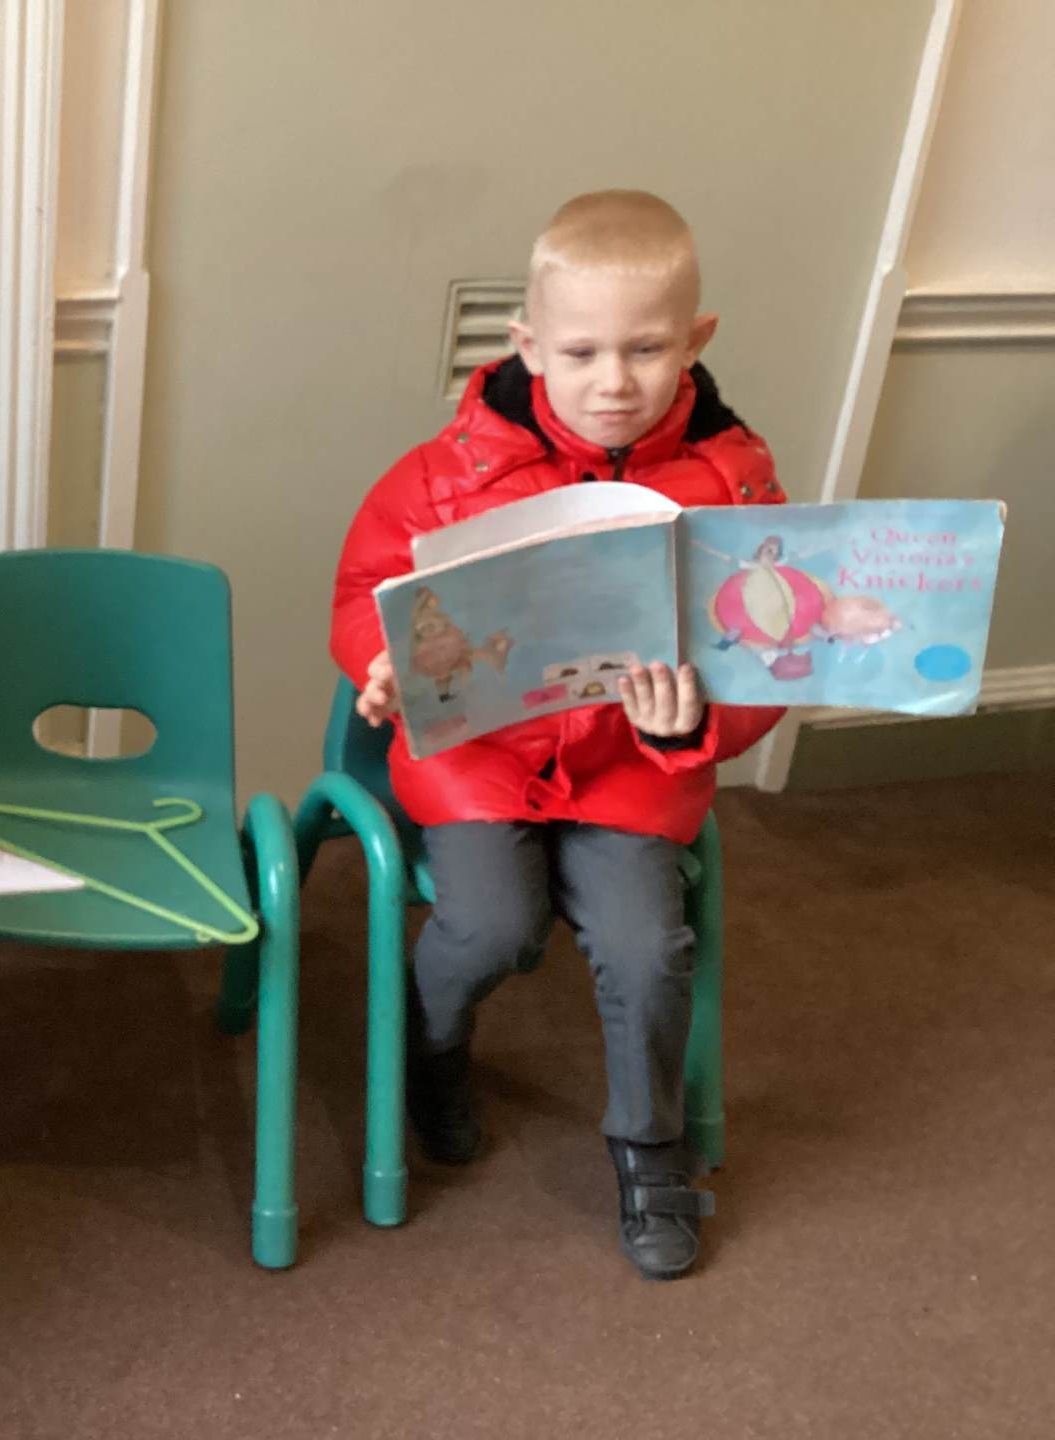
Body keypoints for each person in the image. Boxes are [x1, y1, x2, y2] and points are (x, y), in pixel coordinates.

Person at [330, 190, 785, 1278]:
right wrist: (384, 661)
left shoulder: (733, 481)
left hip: (631, 771)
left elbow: (771, 650)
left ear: (697, 340)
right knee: (491, 927)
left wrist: (696, 722)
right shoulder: (446, 470)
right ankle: (432, 1051)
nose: (613, 380)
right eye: (580, 352)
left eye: (646, 349)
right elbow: (364, 594)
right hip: (481, 762)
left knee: (646, 948)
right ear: (528, 346)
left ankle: (650, 1152)